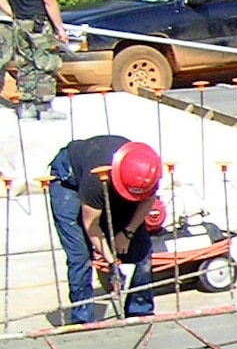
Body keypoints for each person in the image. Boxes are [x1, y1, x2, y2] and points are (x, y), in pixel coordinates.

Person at [48, 136, 162, 325]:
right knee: (80, 255)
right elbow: (91, 226)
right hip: (69, 180)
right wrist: (112, 263)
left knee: (142, 251)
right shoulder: (96, 181)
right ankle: (83, 320)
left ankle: (139, 312)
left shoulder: (147, 171)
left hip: (115, 180)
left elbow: (147, 200)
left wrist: (127, 233)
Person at [4, 0, 68, 119]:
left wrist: (11, 11)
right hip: (38, 24)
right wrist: (60, 29)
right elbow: (48, 0)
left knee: (25, 64)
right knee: (46, 63)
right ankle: (44, 107)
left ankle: (26, 106)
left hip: (19, 24)